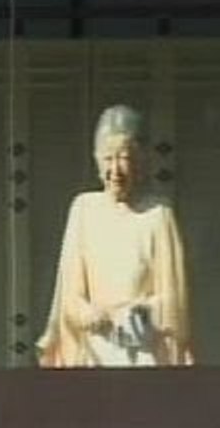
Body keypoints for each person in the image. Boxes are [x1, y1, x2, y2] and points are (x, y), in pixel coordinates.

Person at [37, 105, 194, 367]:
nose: (116, 170)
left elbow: (174, 299)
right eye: (108, 159)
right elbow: (70, 295)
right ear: (97, 161)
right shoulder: (84, 209)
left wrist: (140, 313)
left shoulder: (158, 215)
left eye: (124, 158)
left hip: (142, 351)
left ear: (140, 162)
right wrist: (88, 313)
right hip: (94, 350)